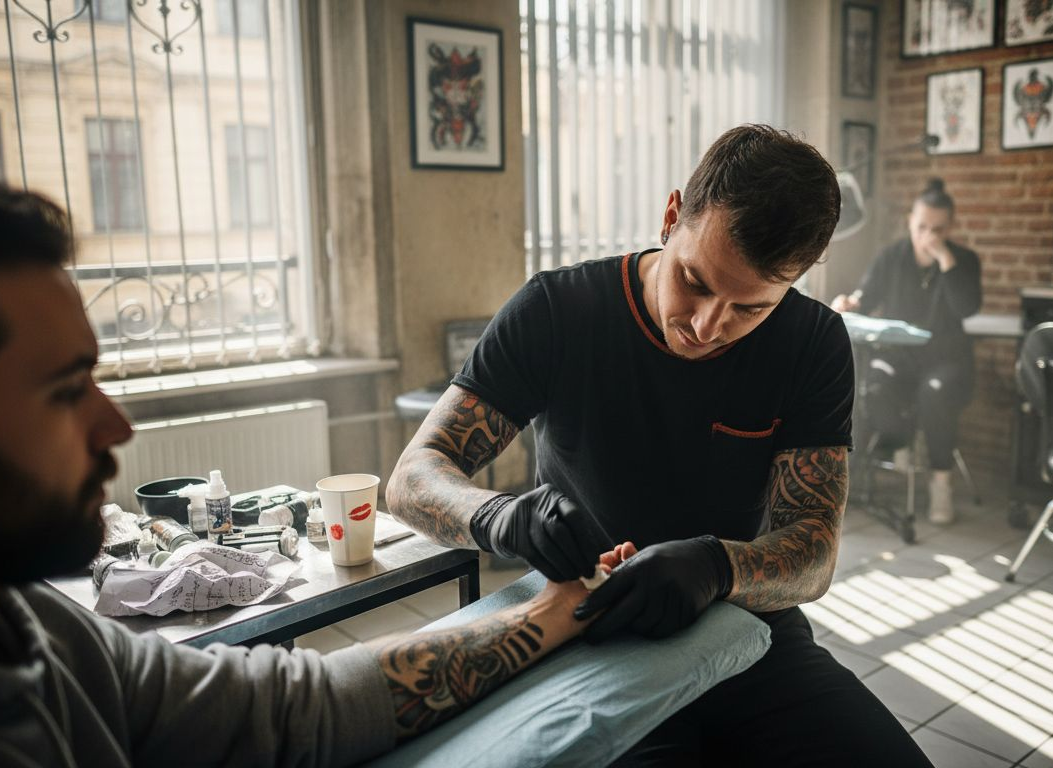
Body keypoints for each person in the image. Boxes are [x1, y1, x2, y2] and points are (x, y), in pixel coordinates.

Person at [0, 175, 621, 767]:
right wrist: (497, 514)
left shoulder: (35, 632)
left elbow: (297, 708)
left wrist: (551, 612)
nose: (116, 426)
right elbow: (412, 478)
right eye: (64, 392)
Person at [387, 124, 932, 766]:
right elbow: (411, 478)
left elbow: (813, 550)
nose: (707, 326)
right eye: (695, 282)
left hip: (745, 623)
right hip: (587, 624)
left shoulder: (812, 343)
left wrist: (714, 565)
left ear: (800, 278)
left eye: (749, 309)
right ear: (672, 216)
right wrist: (498, 517)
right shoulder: (558, 310)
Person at [832, 178, 982, 524]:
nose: (927, 234)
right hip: (899, 358)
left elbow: (966, 308)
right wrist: (850, 302)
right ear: (910, 222)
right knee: (875, 386)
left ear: (950, 228)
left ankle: (940, 482)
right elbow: (865, 300)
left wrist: (945, 259)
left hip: (946, 360)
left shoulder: (964, 261)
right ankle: (901, 443)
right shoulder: (893, 257)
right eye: (921, 227)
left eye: (937, 229)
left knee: (935, 394)